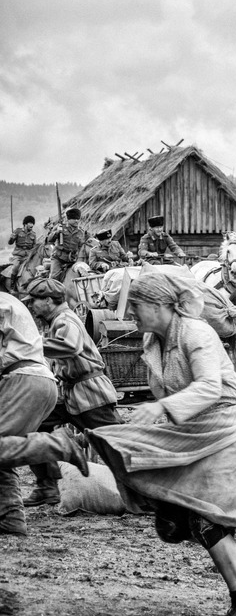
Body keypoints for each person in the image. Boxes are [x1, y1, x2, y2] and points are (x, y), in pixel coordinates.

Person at [86, 272, 236, 616]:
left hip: (229, 426)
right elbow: (168, 390)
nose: (129, 312)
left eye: (135, 305)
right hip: (192, 428)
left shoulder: (196, 332)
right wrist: (156, 418)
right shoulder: (152, 341)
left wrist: (162, 408)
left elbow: (209, 388)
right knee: (171, 525)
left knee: (204, 520)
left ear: (159, 305)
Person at [21, 278, 122, 507]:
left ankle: (147, 491)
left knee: (117, 442)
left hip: (89, 393)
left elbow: (70, 346)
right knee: (34, 427)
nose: (31, 306)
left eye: (34, 301)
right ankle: (47, 487)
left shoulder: (65, 319)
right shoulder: (57, 320)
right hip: (69, 393)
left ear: (48, 300)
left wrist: (32, 344)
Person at [0, 290, 59, 536]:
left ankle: (56, 446)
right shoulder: (8, 300)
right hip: (37, 380)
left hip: (24, 379)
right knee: (4, 449)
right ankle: (10, 519)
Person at [50, 207, 90, 282]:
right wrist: (57, 233)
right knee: (54, 277)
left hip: (72, 259)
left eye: (78, 219)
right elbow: (50, 240)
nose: (76, 221)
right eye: (74, 219)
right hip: (59, 258)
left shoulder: (81, 232)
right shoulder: (61, 228)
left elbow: (81, 246)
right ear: (69, 219)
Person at [5, 215, 36, 291]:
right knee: (16, 266)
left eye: (33, 223)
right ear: (25, 224)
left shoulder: (33, 234)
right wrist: (11, 238)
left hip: (28, 256)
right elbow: (10, 243)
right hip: (18, 255)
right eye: (30, 223)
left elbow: (34, 246)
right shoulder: (18, 231)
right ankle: (12, 284)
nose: (32, 225)